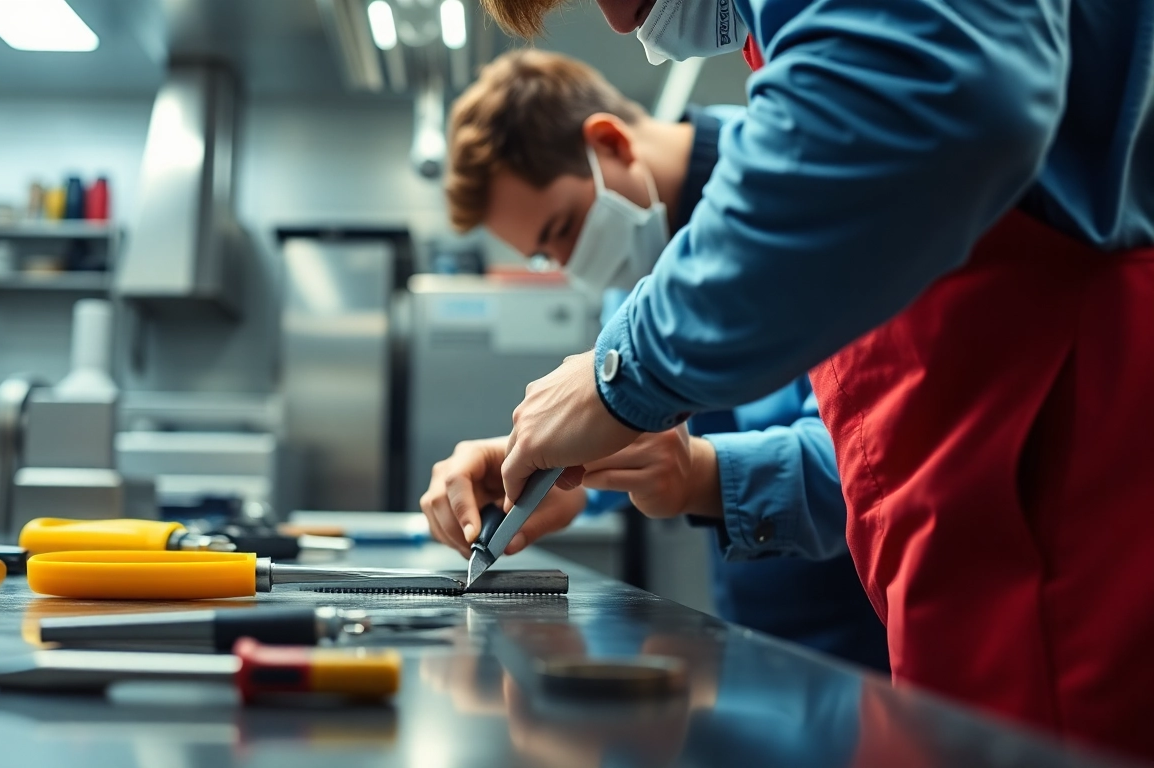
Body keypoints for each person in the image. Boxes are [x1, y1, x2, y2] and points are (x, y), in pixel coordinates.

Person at [475, 0, 1154, 758]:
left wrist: (623, 376)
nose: (616, 20)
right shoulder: (780, 172)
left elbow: (917, 81)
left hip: (1060, 524)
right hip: (974, 573)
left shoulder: (806, 181)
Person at [422, 50, 887, 671]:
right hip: (756, 640)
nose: (569, 265)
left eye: (563, 229)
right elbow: (638, 446)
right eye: (546, 255)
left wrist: (702, 475)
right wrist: (559, 481)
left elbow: (876, 460)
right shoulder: (632, 271)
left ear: (610, 143)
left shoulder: (794, 188)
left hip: (879, 636)